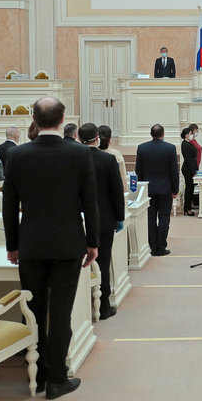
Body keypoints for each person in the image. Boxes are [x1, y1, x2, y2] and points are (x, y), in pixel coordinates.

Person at [3, 97, 99, 398]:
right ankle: (58, 378)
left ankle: (41, 375)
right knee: (60, 313)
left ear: (33, 119)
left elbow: (9, 206)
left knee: (34, 310)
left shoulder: (17, 155)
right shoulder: (81, 154)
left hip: (30, 244)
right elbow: (90, 204)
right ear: (61, 120)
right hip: (68, 244)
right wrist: (92, 243)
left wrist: (13, 245)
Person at [78, 123, 124, 321]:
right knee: (103, 262)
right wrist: (119, 217)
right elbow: (117, 193)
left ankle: (80, 305)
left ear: (79, 138)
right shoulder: (108, 159)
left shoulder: (72, 160)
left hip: (77, 219)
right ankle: (104, 307)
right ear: (97, 138)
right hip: (103, 220)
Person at [135, 124, 178, 256]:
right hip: (165, 189)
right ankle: (161, 246)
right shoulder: (170, 148)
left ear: (151, 134)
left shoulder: (142, 148)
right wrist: (175, 190)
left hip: (148, 189)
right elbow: (174, 172)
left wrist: (140, 188)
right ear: (163, 134)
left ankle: (153, 247)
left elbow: (138, 170)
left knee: (150, 218)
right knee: (164, 218)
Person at [98, 125, 129, 193]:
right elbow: (123, 177)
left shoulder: (90, 153)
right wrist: (125, 191)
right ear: (110, 139)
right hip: (112, 192)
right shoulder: (116, 154)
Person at [180, 128, 198, 217]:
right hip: (188, 170)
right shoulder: (185, 144)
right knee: (189, 189)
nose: (192, 135)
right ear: (186, 135)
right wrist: (193, 171)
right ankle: (187, 209)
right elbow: (188, 159)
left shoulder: (188, 143)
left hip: (191, 168)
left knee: (191, 189)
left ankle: (188, 208)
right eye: (191, 133)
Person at [188, 124, 202, 208]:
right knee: (190, 187)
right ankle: (190, 204)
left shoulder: (194, 140)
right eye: (196, 130)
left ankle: (191, 203)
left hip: (197, 165)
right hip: (193, 166)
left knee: (193, 186)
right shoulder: (190, 141)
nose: (197, 132)